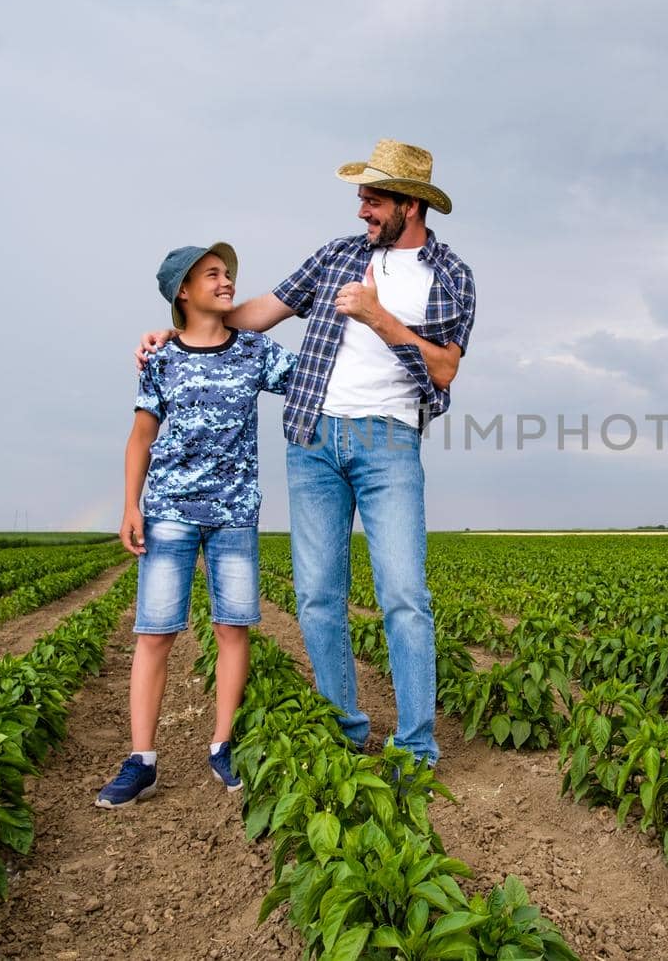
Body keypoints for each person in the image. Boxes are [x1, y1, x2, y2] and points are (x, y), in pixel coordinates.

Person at [138, 140, 475, 767]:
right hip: (313, 439)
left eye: (373, 200)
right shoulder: (335, 256)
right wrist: (182, 331)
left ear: (409, 203)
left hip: (387, 440)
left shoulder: (449, 274)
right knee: (318, 595)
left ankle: (416, 748)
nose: (362, 212)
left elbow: (446, 368)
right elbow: (257, 313)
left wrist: (378, 317)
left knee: (403, 593)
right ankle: (344, 730)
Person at [97, 243, 297, 808]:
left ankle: (222, 744)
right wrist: (131, 505)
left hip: (234, 513)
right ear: (183, 291)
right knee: (155, 632)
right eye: (213, 274)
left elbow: (315, 381)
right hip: (168, 512)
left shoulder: (256, 351)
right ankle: (142, 761)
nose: (227, 279)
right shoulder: (161, 359)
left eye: (228, 272)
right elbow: (142, 435)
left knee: (233, 628)